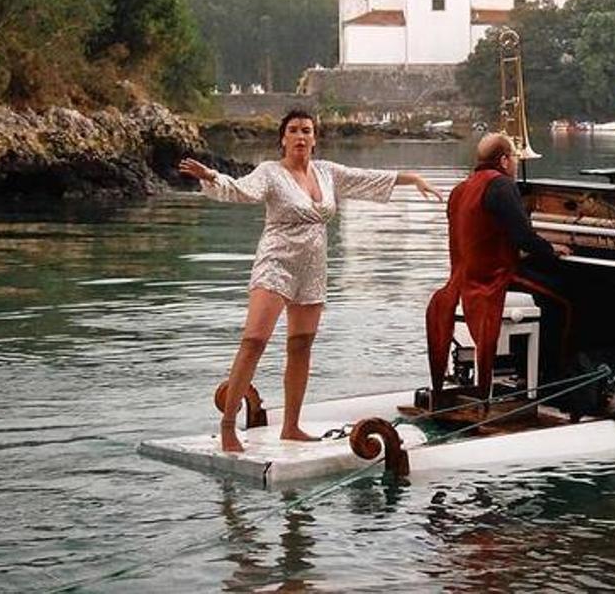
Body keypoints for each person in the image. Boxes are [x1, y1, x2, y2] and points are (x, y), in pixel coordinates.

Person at [179, 108, 442, 453]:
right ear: (283, 139)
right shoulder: (270, 172)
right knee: (254, 340)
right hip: (276, 263)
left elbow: (367, 178)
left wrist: (412, 179)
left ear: (315, 138)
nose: (300, 136)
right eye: (293, 130)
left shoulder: (328, 172)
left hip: (313, 268)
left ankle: (291, 426)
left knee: (301, 346)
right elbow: (242, 191)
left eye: (306, 130)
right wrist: (212, 176)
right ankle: (228, 426)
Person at [425, 133, 572, 407]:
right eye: (514, 157)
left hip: (462, 279)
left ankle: (520, 371)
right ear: (504, 160)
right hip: (493, 277)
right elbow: (523, 238)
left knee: (550, 287)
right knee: (564, 300)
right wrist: (552, 250)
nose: (516, 163)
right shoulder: (502, 185)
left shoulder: (459, 190)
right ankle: (553, 382)